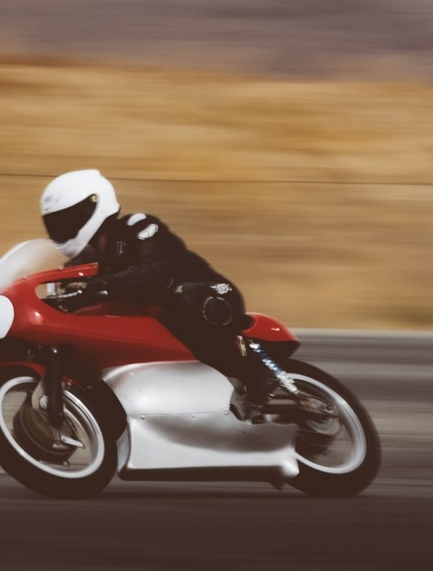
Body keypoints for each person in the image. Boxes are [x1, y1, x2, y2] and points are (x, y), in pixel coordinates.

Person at [39, 168, 272, 411]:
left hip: (213, 296)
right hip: (165, 328)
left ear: (92, 208)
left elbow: (153, 273)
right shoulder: (82, 267)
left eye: (65, 222)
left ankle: (256, 372)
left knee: (186, 298)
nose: (60, 231)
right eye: (54, 225)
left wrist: (95, 286)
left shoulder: (137, 227)